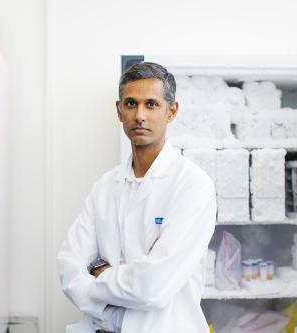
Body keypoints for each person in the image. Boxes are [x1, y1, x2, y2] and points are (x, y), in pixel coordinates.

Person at [57, 62, 216, 333]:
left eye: (151, 104)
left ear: (171, 111)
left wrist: (99, 271)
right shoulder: (105, 187)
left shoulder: (192, 186)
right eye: (131, 104)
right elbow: (69, 268)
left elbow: (152, 287)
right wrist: (126, 286)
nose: (140, 115)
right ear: (119, 111)